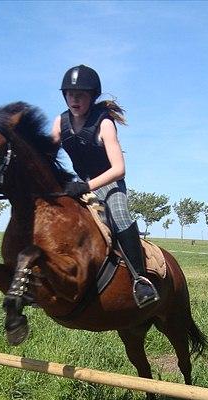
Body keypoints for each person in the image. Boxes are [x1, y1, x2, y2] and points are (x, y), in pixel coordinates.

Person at [51, 64, 159, 308]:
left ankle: (141, 280)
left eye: (81, 95)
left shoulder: (105, 123)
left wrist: (86, 186)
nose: (74, 99)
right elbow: (47, 154)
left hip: (109, 183)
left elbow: (119, 169)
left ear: (92, 96)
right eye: (70, 94)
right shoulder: (60, 122)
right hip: (80, 183)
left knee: (120, 216)